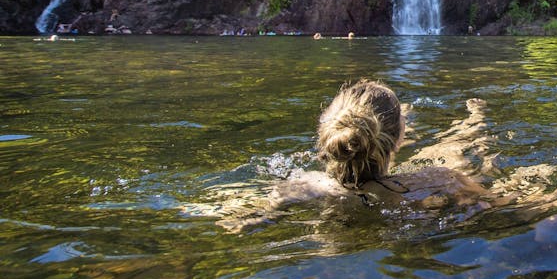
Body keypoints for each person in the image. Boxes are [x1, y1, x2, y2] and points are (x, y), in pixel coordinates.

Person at [208, 80, 493, 231]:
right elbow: (497, 204)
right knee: (452, 149)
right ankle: (475, 120)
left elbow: (238, 219)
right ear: (398, 139)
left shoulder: (299, 184)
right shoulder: (438, 179)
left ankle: (472, 120)